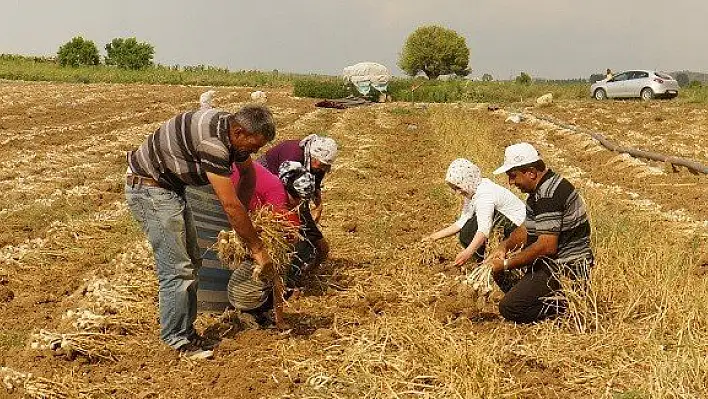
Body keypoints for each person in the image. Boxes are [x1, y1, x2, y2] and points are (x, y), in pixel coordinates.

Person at [125, 105, 277, 360]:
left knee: (193, 262)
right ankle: (176, 339)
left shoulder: (230, 132)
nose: (253, 153)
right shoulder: (214, 145)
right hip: (150, 190)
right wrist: (257, 248)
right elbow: (229, 204)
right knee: (177, 269)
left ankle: (186, 330)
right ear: (239, 132)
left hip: (170, 189)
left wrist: (239, 226)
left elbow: (248, 174)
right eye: (252, 147)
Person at [489, 143, 594, 323]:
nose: (511, 183)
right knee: (502, 274)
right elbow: (525, 230)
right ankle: (534, 296)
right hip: (553, 263)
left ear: (531, 172)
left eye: (513, 176)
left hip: (566, 266)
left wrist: (506, 263)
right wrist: (503, 247)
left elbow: (547, 246)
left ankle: (567, 303)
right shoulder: (539, 192)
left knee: (509, 308)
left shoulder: (549, 195)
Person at [227, 161, 318, 326]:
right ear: (288, 189)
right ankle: (252, 312)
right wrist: (280, 320)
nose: (297, 204)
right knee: (279, 276)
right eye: (296, 198)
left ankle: (252, 308)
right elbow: (278, 277)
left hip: (236, 289)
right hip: (243, 298)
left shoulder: (271, 186)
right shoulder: (277, 200)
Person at [423, 158, 526, 266]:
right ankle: (486, 257)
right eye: (454, 189)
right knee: (467, 229)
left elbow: (483, 229)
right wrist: (433, 237)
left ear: (467, 181)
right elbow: (462, 221)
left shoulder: (484, 195)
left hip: (518, 227)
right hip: (510, 223)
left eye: (458, 187)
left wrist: (468, 252)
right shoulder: (473, 189)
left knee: (469, 230)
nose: (457, 193)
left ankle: (488, 259)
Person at [258, 134, 338, 267]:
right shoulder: (292, 158)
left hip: (286, 188)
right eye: (319, 162)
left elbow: (313, 186)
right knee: (281, 219)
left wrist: (319, 206)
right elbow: (296, 202)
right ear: (311, 154)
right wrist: (316, 236)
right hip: (269, 175)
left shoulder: (318, 165)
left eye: (324, 165)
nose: (320, 167)